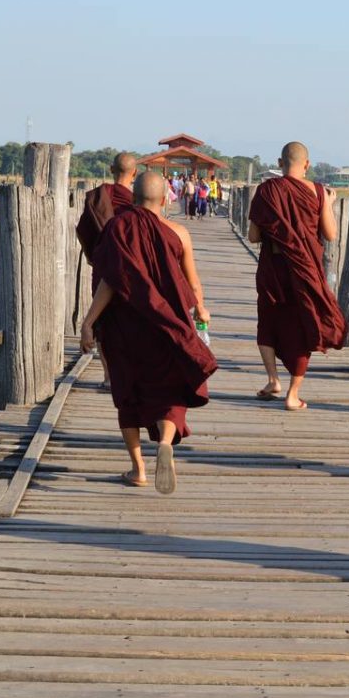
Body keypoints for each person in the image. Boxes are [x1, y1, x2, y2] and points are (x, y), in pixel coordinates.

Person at [80, 171, 217, 495]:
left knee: (128, 394)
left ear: (133, 197)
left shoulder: (117, 228)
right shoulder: (178, 232)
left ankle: (138, 469)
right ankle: (165, 442)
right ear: (166, 198)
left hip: (124, 327)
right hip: (168, 325)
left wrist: (88, 322)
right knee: (169, 389)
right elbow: (193, 282)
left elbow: (110, 281)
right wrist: (201, 310)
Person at [247, 141, 346, 411]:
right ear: (307, 164)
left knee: (267, 321)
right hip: (305, 271)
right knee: (304, 326)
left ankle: (272, 380)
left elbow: (253, 236)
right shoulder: (317, 192)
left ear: (280, 164)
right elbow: (330, 234)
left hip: (274, 268)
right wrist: (328, 204)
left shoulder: (266, 191)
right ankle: (293, 394)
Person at [74, 152, 137, 389]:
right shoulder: (135, 201)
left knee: (102, 320)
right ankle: (126, 371)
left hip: (102, 264)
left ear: (111, 169)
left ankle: (109, 375)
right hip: (129, 268)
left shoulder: (99, 196)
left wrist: (94, 257)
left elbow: (83, 229)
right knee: (125, 318)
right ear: (135, 173)